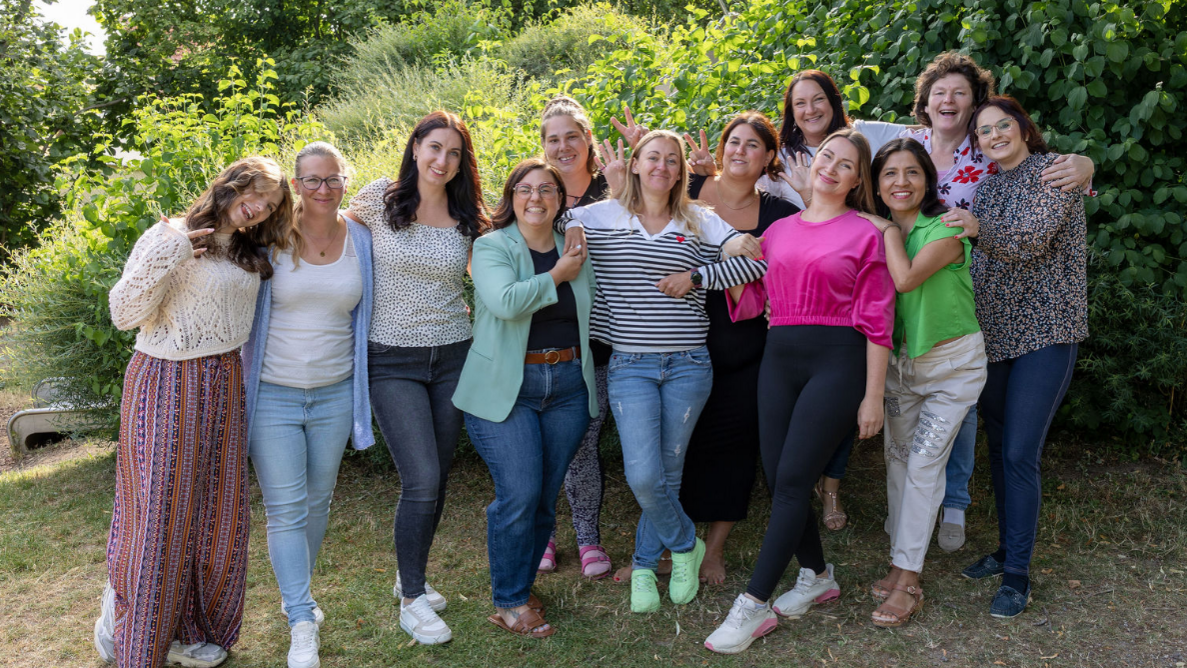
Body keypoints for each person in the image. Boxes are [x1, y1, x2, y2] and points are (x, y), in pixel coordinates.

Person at [96, 157, 294, 668]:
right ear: (232, 184)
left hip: (224, 381)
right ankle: (133, 634)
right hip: (167, 379)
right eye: (256, 193)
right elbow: (123, 313)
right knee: (159, 515)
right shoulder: (168, 234)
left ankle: (191, 630)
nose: (259, 207)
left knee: (213, 514)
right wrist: (175, 249)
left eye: (270, 204)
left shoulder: (246, 247)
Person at [560, 130, 766, 614]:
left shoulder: (700, 219)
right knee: (643, 474)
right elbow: (550, 219)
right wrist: (569, 229)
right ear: (634, 164)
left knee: (669, 473)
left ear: (680, 172)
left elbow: (754, 265)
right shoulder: (599, 216)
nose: (662, 166)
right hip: (630, 364)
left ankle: (644, 568)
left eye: (672, 160)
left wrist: (697, 277)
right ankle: (686, 543)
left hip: (689, 364)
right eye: (653, 157)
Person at [704, 129, 894, 654]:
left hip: (838, 363)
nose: (831, 167)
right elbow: (750, 300)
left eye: (846, 164)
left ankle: (753, 604)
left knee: (791, 483)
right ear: (813, 164)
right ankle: (818, 575)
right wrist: (724, 256)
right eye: (826, 156)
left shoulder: (866, 234)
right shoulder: (779, 230)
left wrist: (873, 396)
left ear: (856, 180)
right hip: (779, 358)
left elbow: (879, 322)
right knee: (778, 477)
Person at [344, 111, 490, 645]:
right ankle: (411, 600)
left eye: (453, 153)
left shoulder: (467, 216)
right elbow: (326, 235)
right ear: (415, 148)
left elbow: (491, 273)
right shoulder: (379, 199)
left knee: (438, 477)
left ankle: (414, 578)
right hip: (391, 359)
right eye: (434, 148)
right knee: (422, 477)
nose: (441, 160)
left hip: (453, 356)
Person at [240, 142, 373, 668]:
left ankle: (296, 593)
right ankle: (300, 618)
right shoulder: (270, 237)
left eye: (333, 178)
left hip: (336, 391)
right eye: (312, 180)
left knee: (318, 503)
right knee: (286, 509)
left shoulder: (361, 238)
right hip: (273, 394)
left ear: (345, 181)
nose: (323, 189)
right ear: (295, 185)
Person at [453, 158, 598, 637]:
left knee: (543, 499)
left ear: (559, 199)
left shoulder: (574, 245)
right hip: (506, 388)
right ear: (511, 196)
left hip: (568, 386)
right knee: (518, 494)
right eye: (525, 189)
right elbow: (506, 302)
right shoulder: (492, 246)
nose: (536, 197)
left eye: (546, 189)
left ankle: (518, 584)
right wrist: (558, 274)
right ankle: (511, 601)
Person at [959, 96, 1087, 619]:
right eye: (984, 131)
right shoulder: (987, 188)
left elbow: (1030, 242)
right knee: (998, 449)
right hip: (995, 337)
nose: (994, 136)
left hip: (1047, 332)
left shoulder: (1056, 172)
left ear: (1023, 128)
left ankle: (1018, 576)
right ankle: (1006, 550)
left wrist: (976, 229)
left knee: (1018, 453)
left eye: (1002, 125)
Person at [856, 139, 987, 627]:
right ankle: (899, 560)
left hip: (952, 368)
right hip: (899, 365)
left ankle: (908, 578)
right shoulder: (872, 232)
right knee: (897, 462)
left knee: (924, 465)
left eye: (912, 172)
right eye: (889, 173)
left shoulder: (946, 228)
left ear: (928, 180)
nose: (901, 182)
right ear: (876, 184)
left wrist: (888, 229)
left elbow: (906, 278)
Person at [679, 112, 799, 585]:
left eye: (753, 145)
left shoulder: (780, 214)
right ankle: (671, 544)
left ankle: (714, 549)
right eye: (734, 141)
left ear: (768, 158)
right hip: (680, 342)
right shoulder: (686, 193)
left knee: (734, 445)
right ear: (721, 148)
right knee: (677, 447)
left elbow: (780, 270)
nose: (740, 151)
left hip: (747, 348)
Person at [536, 96, 612, 579]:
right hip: (547, 336)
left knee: (583, 438)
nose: (563, 147)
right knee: (543, 443)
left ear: (588, 140)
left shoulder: (616, 187)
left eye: (571, 136)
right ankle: (542, 533)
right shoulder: (536, 190)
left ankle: (587, 536)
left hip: (604, 340)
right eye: (553, 139)